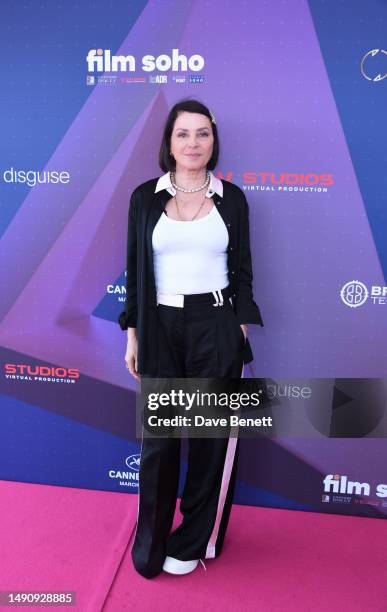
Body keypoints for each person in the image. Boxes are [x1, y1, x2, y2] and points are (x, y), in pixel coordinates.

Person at [118, 98, 263, 579]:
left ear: (213, 141)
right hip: (160, 326)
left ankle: (194, 539)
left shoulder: (232, 198)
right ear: (169, 142)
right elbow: (135, 273)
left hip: (214, 328)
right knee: (159, 443)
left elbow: (242, 273)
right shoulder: (144, 197)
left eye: (203, 133)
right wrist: (133, 336)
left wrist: (236, 328)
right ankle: (151, 541)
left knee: (208, 442)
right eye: (184, 134)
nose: (194, 143)